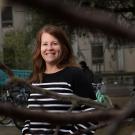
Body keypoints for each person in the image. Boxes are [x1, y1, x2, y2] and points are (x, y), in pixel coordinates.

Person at [22, 25, 96, 135]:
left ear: (63, 47)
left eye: (54, 43)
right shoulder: (35, 77)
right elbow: (30, 114)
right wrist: (26, 131)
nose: (49, 48)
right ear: (39, 48)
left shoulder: (75, 74)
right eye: (45, 44)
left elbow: (92, 115)